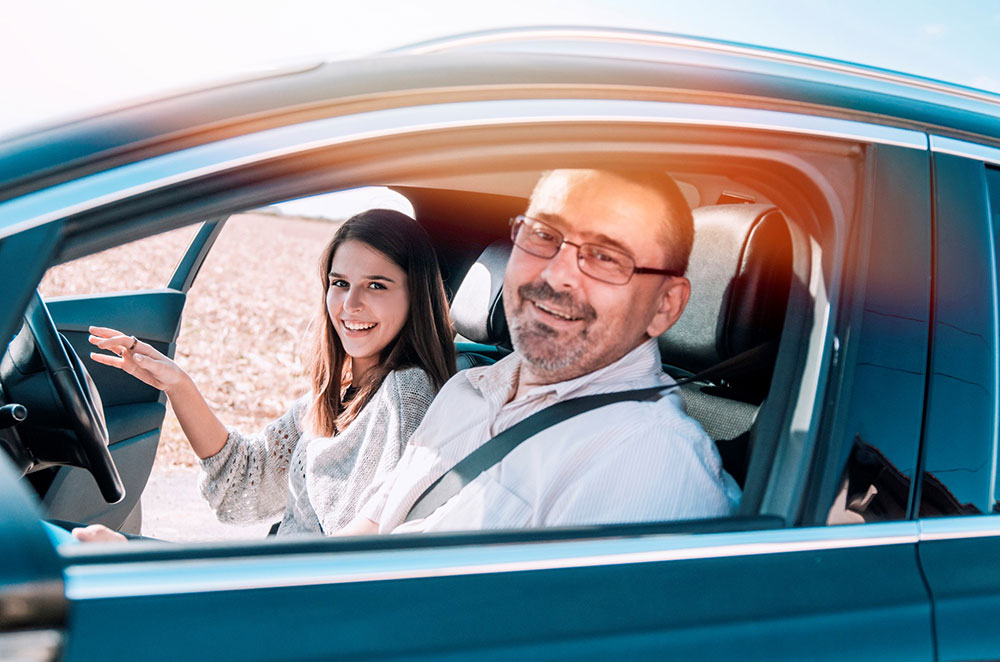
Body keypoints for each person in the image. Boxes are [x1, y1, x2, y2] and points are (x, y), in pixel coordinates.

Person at [338, 168, 741, 536]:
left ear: (664, 305)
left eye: (605, 256)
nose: (554, 274)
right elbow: (374, 522)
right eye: (544, 236)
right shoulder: (468, 387)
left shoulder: (648, 464)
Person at [73, 209, 456, 542]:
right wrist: (177, 385)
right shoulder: (339, 392)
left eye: (376, 285)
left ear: (415, 294)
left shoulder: (406, 394)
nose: (350, 304)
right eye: (340, 283)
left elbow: (359, 555)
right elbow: (245, 482)